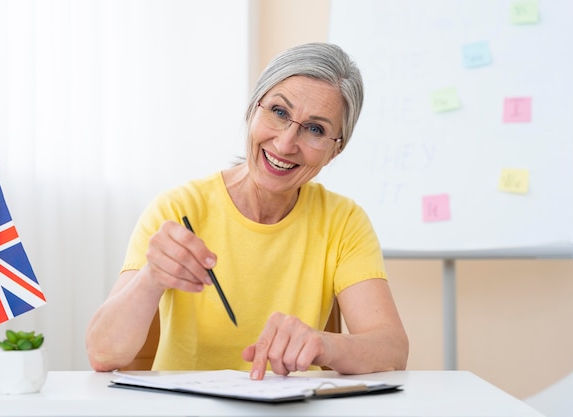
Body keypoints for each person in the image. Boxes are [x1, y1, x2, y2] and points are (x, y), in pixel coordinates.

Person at [86, 42, 409, 379]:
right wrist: (150, 278)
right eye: (279, 112)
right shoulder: (178, 209)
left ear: (335, 151)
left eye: (315, 129)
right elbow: (102, 354)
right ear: (253, 110)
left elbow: (392, 349)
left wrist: (326, 345)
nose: (285, 144)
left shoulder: (344, 222)